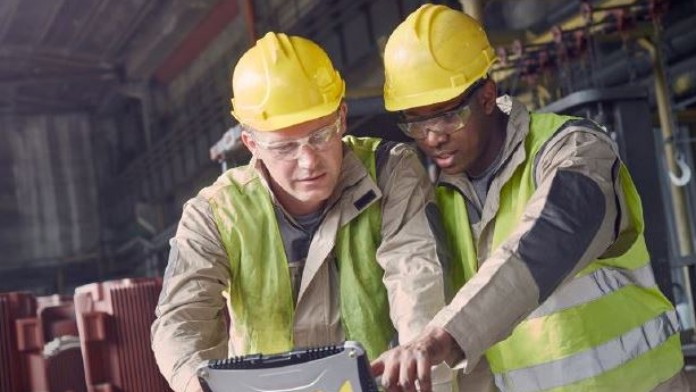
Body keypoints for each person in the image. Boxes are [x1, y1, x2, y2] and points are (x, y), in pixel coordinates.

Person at [371, 4, 687, 392]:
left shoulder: (574, 149)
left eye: (447, 116)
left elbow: (550, 236)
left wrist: (442, 336)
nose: (432, 136)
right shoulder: (444, 200)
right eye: (416, 122)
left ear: (487, 97)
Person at [151, 32, 450, 392]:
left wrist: (417, 361)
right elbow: (181, 320)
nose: (308, 161)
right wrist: (195, 383)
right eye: (285, 147)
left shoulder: (390, 173)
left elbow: (416, 277)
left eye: (322, 135)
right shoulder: (214, 214)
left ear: (342, 116)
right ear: (251, 144)